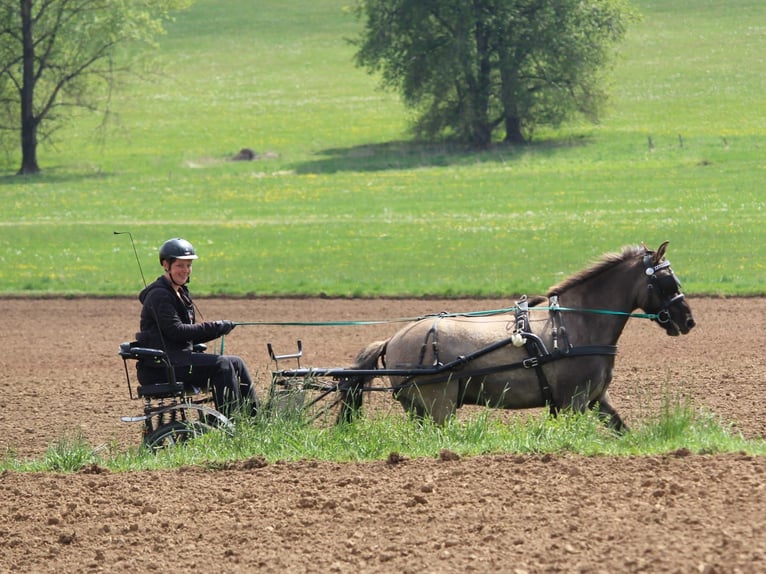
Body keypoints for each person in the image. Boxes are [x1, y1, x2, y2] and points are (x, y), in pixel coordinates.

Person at [135, 237, 258, 417]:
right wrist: (216, 327)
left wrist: (219, 328)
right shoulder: (159, 296)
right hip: (161, 367)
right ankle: (233, 420)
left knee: (236, 363)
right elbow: (177, 331)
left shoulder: (180, 293)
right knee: (221, 364)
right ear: (165, 265)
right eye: (180, 265)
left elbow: (187, 335)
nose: (185, 270)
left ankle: (254, 418)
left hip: (177, 360)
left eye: (188, 265)